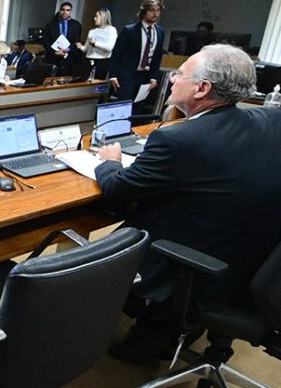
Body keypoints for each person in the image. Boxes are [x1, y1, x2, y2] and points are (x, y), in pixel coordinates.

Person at [95, 44, 281, 364]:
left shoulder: (178, 140)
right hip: (252, 267)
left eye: (179, 74)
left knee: (97, 255)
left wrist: (110, 161)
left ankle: (158, 322)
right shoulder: (271, 120)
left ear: (202, 88)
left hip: (195, 269)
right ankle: (166, 325)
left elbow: (118, 188)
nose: (171, 79)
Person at [109, 0, 166, 102]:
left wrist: (154, 77)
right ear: (144, 11)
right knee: (124, 104)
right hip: (127, 75)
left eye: (158, 10)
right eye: (152, 10)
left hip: (145, 77)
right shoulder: (129, 30)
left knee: (139, 106)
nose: (155, 14)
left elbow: (157, 57)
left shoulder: (160, 32)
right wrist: (113, 75)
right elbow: (116, 54)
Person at [76, 8, 117, 80]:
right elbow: (86, 49)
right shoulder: (92, 31)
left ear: (103, 17)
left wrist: (95, 43)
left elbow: (109, 47)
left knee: (97, 83)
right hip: (88, 60)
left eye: (96, 16)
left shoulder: (111, 30)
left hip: (102, 62)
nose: (94, 18)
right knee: (83, 81)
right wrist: (80, 46)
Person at [42, 2, 82, 75]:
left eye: (68, 10)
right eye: (63, 10)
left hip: (68, 58)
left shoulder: (76, 25)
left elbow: (76, 41)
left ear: (70, 11)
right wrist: (54, 52)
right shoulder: (50, 25)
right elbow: (45, 42)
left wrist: (67, 49)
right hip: (52, 57)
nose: (65, 12)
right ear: (59, 10)